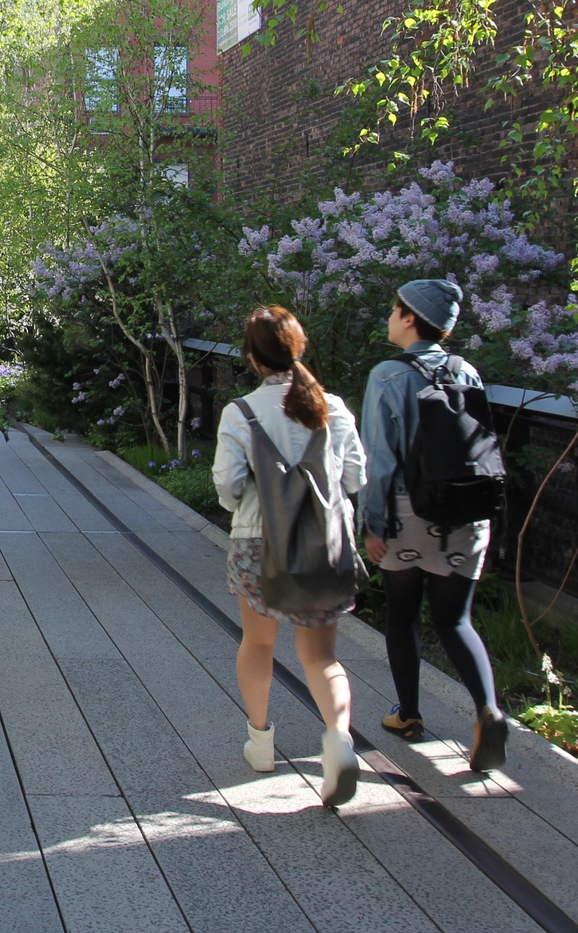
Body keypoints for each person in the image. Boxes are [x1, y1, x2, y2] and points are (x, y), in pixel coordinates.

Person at [213, 305, 369, 806]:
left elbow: (228, 486)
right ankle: (340, 743)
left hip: (258, 542)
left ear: (252, 359)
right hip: (323, 543)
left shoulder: (241, 412)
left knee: (258, 643)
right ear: (297, 348)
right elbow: (354, 478)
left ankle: (260, 745)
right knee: (321, 656)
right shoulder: (333, 407)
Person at [361, 278, 510, 773]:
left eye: (393, 308)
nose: (389, 316)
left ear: (409, 318)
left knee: (402, 616)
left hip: (408, 514)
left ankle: (408, 716)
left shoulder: (387, 375)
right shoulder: (466, 370)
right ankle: (488, 708)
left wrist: (373, 523)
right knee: (455, 620)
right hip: (466, 515)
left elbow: (379, 459)